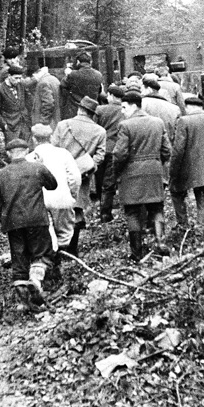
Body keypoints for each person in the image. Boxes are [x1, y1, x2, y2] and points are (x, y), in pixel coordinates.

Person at [0, 138, 58, 309]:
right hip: (37, 220)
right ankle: (36, 279)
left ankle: (23, 302)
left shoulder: (0, 174)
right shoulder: (37, 168)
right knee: (41, 254)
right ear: (26, 152)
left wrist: (3, 217)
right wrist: (42, 165)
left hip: (13, 224)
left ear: (8, 154)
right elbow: (53, 185)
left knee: (19, 260)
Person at [114, 90, 171, 261]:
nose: (122, 111)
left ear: (133, 106)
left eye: (124, 107)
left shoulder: (125, 126)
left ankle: (136, 253)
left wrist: (117, 172)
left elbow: (120, 154)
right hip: (154, 171)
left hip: (132, 173)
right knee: (157, 208)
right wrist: (156, 162)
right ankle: (161, 243)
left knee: (132, 211)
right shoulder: (157, 122)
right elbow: (167, 150)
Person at [51, 95, 106, 256]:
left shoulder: (63, 125)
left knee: (59, 211)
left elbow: (53, 147)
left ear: (80, 109)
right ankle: (72, 250)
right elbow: (100, 156)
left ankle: (59, 248)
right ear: (92, 113)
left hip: (60, 175)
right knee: (77, 210)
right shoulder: (100, 131)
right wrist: (88, 166)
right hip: (82, 177)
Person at [27, 123, 81, 286]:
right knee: (65, 234)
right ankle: (62, 270)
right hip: (61, 199)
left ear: (34, 139)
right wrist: (72, 196)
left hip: (39, 203)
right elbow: (75, 178)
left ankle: (47, 272)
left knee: (47, 238)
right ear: (50, 138)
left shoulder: (29, 158)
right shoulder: (63, 154)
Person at [169, 96, 204, 236]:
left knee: (176, 192)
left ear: (188, 107)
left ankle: (184, 227)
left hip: (189, 170)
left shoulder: (184, 121)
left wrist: (173, 171)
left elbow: (178, 149)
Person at [94, 85, 125, 224]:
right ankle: (105, 213)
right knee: (109, 183)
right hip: (115, 149)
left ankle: (102, 209)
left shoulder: (100, 110)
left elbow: (94, 128)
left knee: (100, 180)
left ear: (111, 95)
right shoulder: (124, 111)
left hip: (101, 149)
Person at [0, 64, 31, 143]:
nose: (18, 80)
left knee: (26, 148)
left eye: (20, 78)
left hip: (24, 122)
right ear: (9, 76)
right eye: (16, 78)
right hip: (10, 125)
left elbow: (28, 101)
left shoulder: (21, 85)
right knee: (13, 149)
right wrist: (4, 125)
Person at [60, 51, 103, 120]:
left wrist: (68, 74)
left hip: (77, 110)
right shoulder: (99, 75)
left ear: (78, 62)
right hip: (92, 110)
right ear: (90, 62)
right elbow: (100, 91)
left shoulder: (73, 74)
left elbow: (63, 85)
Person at [141, 75, 181, 143]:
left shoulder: (140, 104)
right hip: (167, 146)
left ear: (149, 89)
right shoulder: (175, 108)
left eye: (142, 89)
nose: (141, 92)